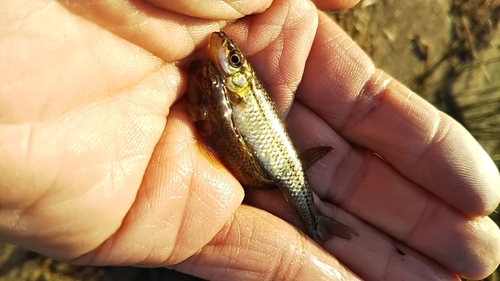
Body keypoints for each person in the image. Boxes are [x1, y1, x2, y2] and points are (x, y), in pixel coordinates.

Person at [1, 0, 498, 280]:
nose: (228, 61)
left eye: (235, 64)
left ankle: (318, 225)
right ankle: (317, 223)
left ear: (241, 79)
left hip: (280, 165)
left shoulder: (245, 93)